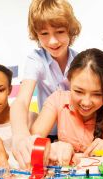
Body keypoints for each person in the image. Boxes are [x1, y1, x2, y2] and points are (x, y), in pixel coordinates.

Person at [30, 48, 103, 165]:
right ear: (69, 81)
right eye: (79, 91)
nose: (86, 102)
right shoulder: (57, 100)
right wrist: (54, 147)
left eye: (97, 94)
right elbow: (32, 142)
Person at [10, 0, 81, 169]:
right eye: (44, 33)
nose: (53, 41)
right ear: (36, 34)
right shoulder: (36, 59)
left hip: (76, 136)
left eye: (60, 32)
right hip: (48, 134)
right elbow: (21, 101)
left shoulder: (80, 61)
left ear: (71, 31)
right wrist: (20, 136)